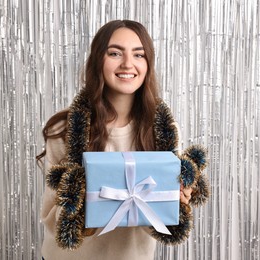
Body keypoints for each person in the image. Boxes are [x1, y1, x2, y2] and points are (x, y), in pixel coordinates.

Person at [36, 20, 209, 260]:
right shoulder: (64, 130)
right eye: (115, 53)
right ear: (98, 60)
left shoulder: (163, 130)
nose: (128, 64)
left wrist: (174, 199)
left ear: (148, 64)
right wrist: (86, 200)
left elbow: (161, 224)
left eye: (138, 55)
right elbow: (52, 219)